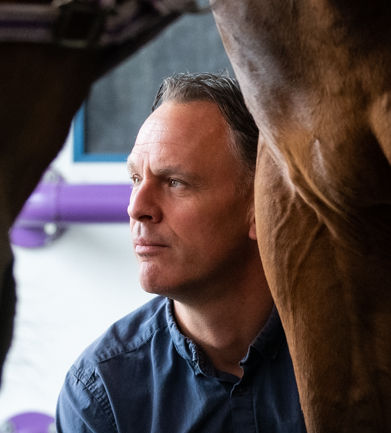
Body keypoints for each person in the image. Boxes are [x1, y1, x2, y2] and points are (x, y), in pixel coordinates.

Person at [56, 72, 306, 433]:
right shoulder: (101, 393)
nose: (136, 208)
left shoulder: (356, 357)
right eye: (135, 179)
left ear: (260, 206)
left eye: (175, 182)